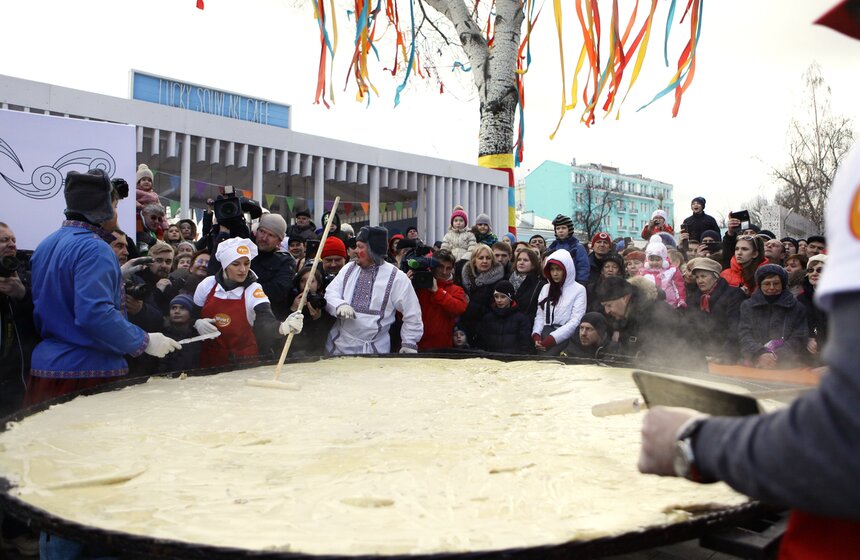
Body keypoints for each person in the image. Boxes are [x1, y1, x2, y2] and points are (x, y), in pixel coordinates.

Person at [26, 169, 181, 406]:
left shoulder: (46, 244)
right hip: (88, 370)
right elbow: (94, 314)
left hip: (46, 366)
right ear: (104, 208)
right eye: (115, 205)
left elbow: (60, 294)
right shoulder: (96, 248)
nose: (117, 213)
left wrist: (114, 277)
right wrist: (144, 340)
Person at [192, 237, 303, 368]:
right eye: (236, 264)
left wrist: (282, 328)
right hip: (210, 358)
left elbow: (265, 320)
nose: (243, 270)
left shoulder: (253, 290)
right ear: (225, 265)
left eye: (246, 263)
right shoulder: (207, 285)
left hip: (243, 361)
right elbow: (192, 315)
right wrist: (196, 323)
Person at [324, 226, 422, 354]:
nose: (356, 251)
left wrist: (409, 342)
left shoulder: (397, 278)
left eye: (360, 247)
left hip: (375, 351)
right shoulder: (348, 269)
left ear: (373, 249)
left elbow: (412, 314)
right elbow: (330, 293)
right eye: (355, 247)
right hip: (340, 347)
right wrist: (339, 305)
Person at [596, 276, 696, 367]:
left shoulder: (658, 315)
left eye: (609, 305)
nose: (607, 311)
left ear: (625, 298)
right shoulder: (626, 317)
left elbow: (660, 356)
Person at [737, 265, 808, 369]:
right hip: (754, 361)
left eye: (776, 283)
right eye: (766, 284)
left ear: (783, 284)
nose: (771, 287)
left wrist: (777, 355)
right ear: (759, 285)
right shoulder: (747, 306)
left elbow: (799, 336)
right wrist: (760, 353)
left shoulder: (797, 307)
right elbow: (744, 334)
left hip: (787, 364)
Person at [0, 222, 35, 418]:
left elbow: (43, 321)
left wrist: (24, 294)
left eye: (13, 240)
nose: (12, 244)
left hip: (20, 385)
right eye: (4, 240)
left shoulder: (27, 279)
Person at [684, 257, 745, 364]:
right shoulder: (694, 298)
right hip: (702, 354)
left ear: (716, 277)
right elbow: (691, 327)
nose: (699, 281)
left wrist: (725, 354)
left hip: (726, 355)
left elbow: (734, 328)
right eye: (697, 277)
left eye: (703, 276)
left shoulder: (734, 294)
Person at [531, 249, 587, 356]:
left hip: (564, 339)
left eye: (558, 269)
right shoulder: (546, 288)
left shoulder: (579, 289)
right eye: (552, 269)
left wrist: (553, 339)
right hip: (544, 336)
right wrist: (536, 335)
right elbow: (540, 315)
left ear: (567, 269)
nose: (555, 273)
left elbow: (575, 321)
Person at [415, 249, 468, 351]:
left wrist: (437, 292)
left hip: (442, 347)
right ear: (433, 267)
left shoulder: (456, 289)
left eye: (448, 268)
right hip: (417, 344)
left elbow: (459, 308)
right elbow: (401, 313)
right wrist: (407, 285)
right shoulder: (420, 286)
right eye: (440, 267)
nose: (444, 272)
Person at [458, 244, 506, 345]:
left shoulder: (498, 282)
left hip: (487, 331)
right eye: (481, 258)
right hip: (463, 330)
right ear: (474, 261)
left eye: (488, 258)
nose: (485, 261)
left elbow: (495, 309)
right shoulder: (462, 279)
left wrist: (469, 306)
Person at [252, 213, 297, 320]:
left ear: (279, 241)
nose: (264, 238)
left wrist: (245, 287)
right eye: (262, 231)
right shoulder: (245, 252)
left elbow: (277, 292)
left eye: (271, 235)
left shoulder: (285, 261)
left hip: (267, 320)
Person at [287, 266, 335, 357]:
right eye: (302, 281)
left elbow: (323, 337)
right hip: (294, 352)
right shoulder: (290, 300)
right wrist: (292, 309)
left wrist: (318, 319)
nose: (306, 285)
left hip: (315, 353)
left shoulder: (323, 303)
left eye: (311, 281)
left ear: (318, 284)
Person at [475, 280, 532, 355]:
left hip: (513, 362)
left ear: (510, 298)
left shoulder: (521, 319)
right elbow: (482, 343)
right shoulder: (488, 318)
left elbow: (525, 345)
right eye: (496, 296)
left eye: (503, 297)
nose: (499, 300)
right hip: (492, 361)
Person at [796, 254, 828, 364]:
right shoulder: (800, 299)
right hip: (806, 357)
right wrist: (808, 338)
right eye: (810, 270)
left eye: (820, 270)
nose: (814, 273)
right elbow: (796, 326)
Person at [159, 294, 203, 373]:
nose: (176, 311)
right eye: (173, 308)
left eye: (182, 308)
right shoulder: (163, 336)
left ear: (191, 312)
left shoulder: (199, 335)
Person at [638, 237, 686, 309]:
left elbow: (679, 287)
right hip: (650, 308)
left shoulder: (672, 271)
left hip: (671, 306)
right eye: (651, 259)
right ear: (647, 259)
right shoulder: (643, 273)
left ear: (663, 259)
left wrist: (681, 301)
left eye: (657, 259)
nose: (654, 262)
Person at [547, 214, 589, 285]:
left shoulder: (577, 247)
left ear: (569, 229)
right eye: (558, 228)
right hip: (555, 285)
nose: (560, 231)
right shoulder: (552, 247)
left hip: (573, 284)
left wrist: (580, 283)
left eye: (563, 228)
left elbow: (583, 267)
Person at [509, 246, 544, 321]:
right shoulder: (508, 278)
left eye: (525, 260)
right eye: (519, 260)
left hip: (525, 325)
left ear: (534, 264)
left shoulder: (540, 285)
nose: (521, 262)